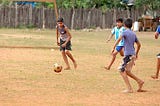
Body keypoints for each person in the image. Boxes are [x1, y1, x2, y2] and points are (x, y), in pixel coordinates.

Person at [111, 18, 145, 93]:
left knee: (121, 70)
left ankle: (129, 88)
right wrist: (136, 53)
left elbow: (118, 39)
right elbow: (139, 45)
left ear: (124, 25)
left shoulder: (124, 32)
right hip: (132, 54)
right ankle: (140, 81)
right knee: (128, 71)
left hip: (128, 55)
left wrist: (113, 48)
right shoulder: (133, 33)